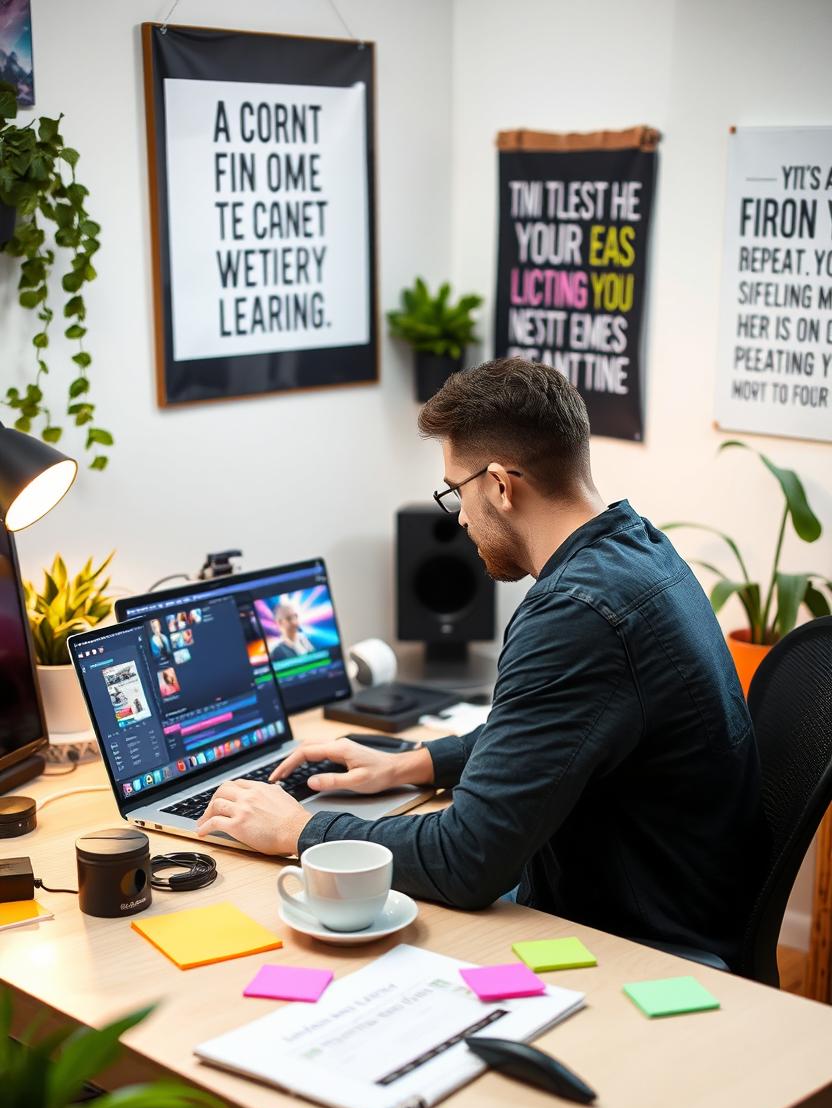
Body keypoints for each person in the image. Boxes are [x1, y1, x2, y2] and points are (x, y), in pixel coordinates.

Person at [197, 359, 764, 966]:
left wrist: (300, 832)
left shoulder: (574, 613)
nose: (461, 518)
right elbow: (556, 729)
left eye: (455, 492)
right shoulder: (639, 552)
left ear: (498, 484)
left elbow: (467, 859)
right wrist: (411, 763)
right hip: (675, 909)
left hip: (638, 949)